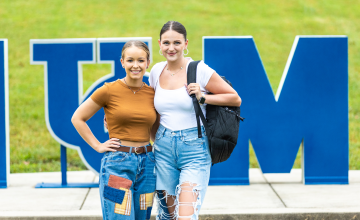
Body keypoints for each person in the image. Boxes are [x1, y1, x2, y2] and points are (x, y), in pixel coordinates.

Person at [149, 21, 242, 220]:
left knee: (186, 216)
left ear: (185, 43)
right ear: (159, 44)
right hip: (163, 148)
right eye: (166, 43)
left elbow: (234, 98)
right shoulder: (156, 71)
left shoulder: (199, 70)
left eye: (176, 42)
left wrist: (203, 97)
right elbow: (153, 110)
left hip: (194, 149)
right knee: (167, 216)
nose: (171, 48)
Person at [72, 40, 159, 220]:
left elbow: (155, 130)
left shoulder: (153, 93)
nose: (136, 65)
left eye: (141, 60)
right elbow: (77, 118)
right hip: (118, 165)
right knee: (120, 217)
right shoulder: (109, 90)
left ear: (148, 63)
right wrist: (97, 145)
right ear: (122, 62)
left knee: (142, 217)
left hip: (148, 166)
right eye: (130, 60)